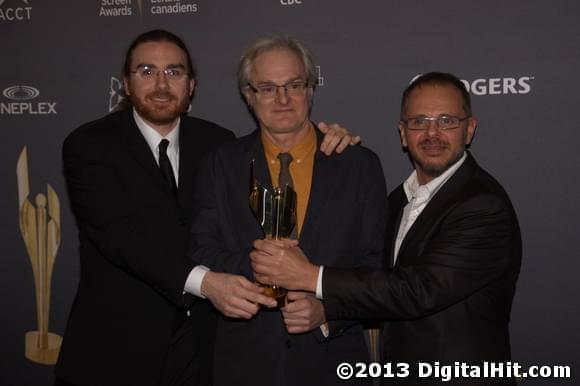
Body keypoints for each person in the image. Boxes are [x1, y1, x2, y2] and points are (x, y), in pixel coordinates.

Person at [55, 29, 358, 386]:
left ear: (192, 84)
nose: (162, 84)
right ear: (125, 82)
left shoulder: (218, 143)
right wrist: (207, 283)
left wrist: (323, 136)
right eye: (147, 71)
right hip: (117, 348)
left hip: (205, 350)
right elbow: (121, 237)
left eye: (175, 72)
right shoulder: (90, 145)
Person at [251, 72, 522, 385]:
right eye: (419, 122)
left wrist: (310, 276)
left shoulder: (483, 205)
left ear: (469, 129)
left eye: (446, 120)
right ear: (403, 133)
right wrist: (326, 311)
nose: (432, 133)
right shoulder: (397, 200)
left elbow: (417, 290)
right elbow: (378, 282)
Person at [188, 35, 388, 386]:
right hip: (244, 366)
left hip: (334, 365)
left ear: (311, 89)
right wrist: (260, 266)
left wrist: (329, 312)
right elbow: (201, 249)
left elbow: (377, 270)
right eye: (267, 88)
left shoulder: (358, 165)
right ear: (249, 96)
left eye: (294, 84)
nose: (282, 98)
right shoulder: (219, 165)